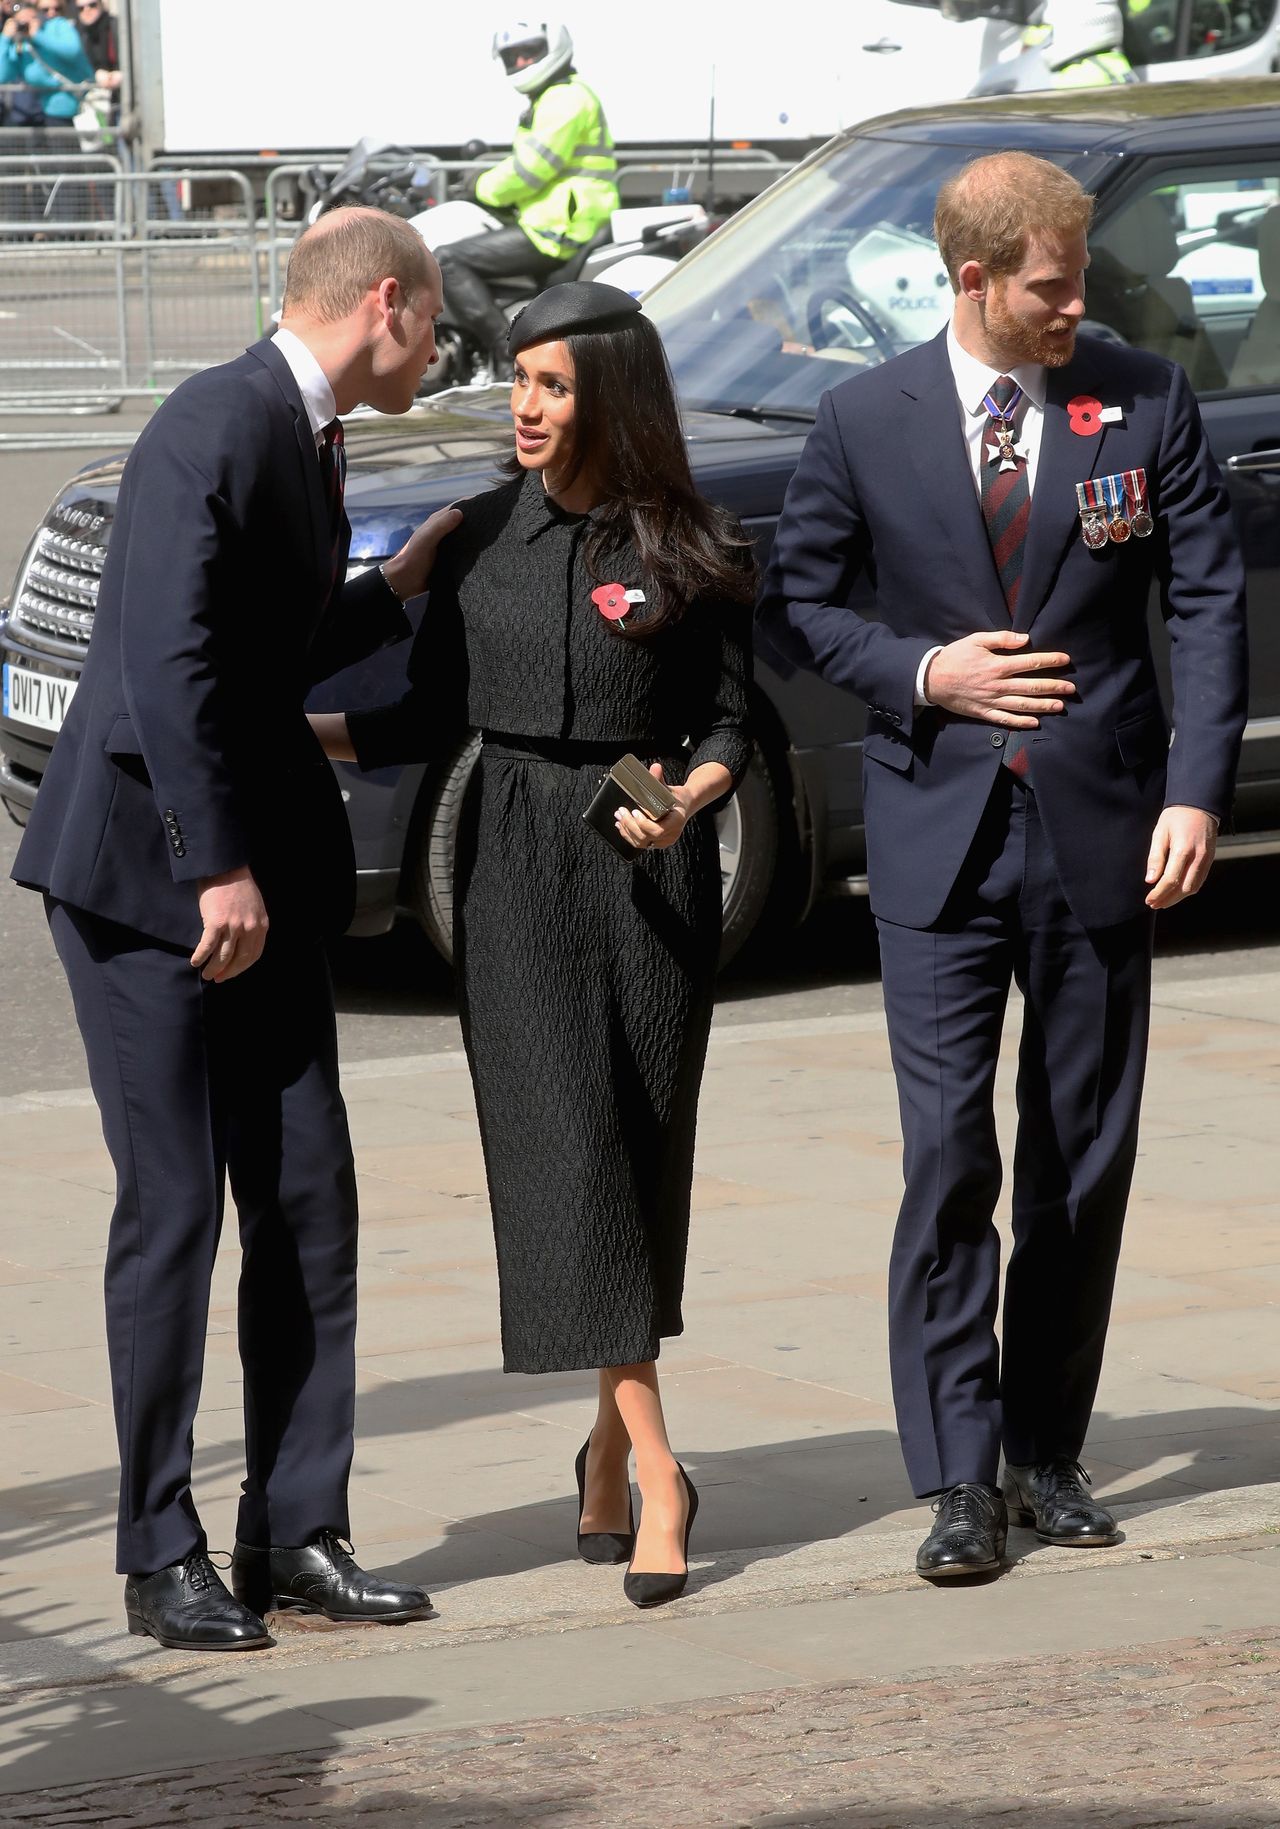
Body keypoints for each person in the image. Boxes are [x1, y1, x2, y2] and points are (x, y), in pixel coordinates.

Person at [758, 152, 1247, 1583]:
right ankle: (959, 1475)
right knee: (948, 1156)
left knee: (1081, 1163)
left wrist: (1196, 792)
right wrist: (927, 670)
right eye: (1049, 282)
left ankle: (1047, 1447)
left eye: (1077, 276)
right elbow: (803, 604)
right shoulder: (863, 420)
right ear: (972, 280)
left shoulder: (1142, 398)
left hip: (1104, 830)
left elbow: (1206, 601)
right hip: (938, 840)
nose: (1073, 302)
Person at [10, 207, 458, 1651]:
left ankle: (293, 1529)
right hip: (154, 888)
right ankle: (158, 1552)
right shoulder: (216, 421)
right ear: (382, 303)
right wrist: (216, 870)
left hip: (241, 882)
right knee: (175, 1215)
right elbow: (163, 668)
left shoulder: (303, 428)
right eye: (436, 323)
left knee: (308, 1197)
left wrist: (385, 594)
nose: (441, 351)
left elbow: (257, 644)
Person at [309, 282, 755, 1609]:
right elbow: (419, 718)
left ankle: (604, 1452)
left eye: (552, 386)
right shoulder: (478, 534)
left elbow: (729, 726)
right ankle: (669, 1472)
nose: (525, 406)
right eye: (518, 382)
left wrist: (685, 801)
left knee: (640, 1157)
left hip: (645, 859)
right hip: (510, 868)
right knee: (570, 1163)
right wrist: (287, 734)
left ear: (608, 396)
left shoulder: (690, 540)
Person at [438, 19, 619, 377]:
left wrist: (480, 187)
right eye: (511, 56)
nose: (520, 62)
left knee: (446, 260)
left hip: (560, 228)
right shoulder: (555, 96)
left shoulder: (565, 98)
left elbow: (530, 169)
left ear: (553, 47)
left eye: (528, 52)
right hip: (556, 219)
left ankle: (507, 354)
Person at [0, 1, 93, 128]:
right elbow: (2, 76)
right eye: (21, 22)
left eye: (31, 18)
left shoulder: (57, 26)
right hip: (46, 114)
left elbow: (73, 50)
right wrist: (5, 39)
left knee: (102, 145)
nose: (26, 25)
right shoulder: (20, 44)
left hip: (83, 108)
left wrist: (38, 35)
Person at [1023, 1, 1137, 86]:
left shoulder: (1049, 7)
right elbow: (1137, 6)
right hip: (1114, 65)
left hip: (1073, 76)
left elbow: (1034, 36)